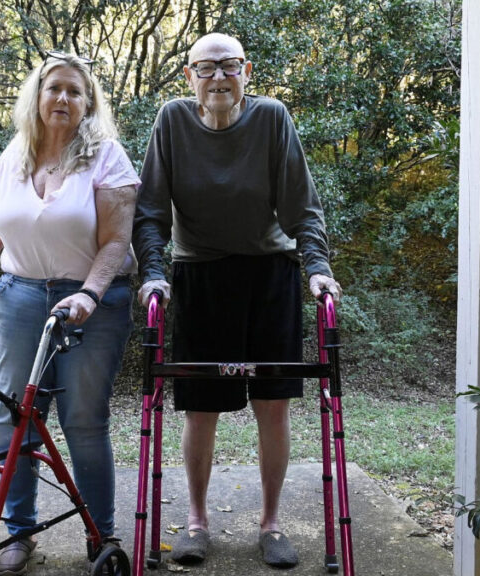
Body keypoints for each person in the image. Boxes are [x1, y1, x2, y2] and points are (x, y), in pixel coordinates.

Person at [132, 33, 342, 569]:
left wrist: (317, 269)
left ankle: (271, 524)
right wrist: (155, 274)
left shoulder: (272, 117)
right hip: (199, 275)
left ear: (246, 71)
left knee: (272, 407)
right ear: (189, 76)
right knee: (200, 410)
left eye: (229, 67)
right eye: (207, 69)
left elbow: (302, 207)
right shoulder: (172, 121)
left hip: (269, 274)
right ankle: (196, 523)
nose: (219, 78)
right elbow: (151, 210)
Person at [0, 50, 139, 576]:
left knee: (83, 422)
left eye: (76, 92)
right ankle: (19, 534)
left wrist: (89, 295)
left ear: (88, 103)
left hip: (92, 304)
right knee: (15, 419)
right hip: (21, 297)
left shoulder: (107, 156)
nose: (64, 99)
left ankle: (102, 535)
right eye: (55, 89)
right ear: (38, 95)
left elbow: (117, 241)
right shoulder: (15, 156)